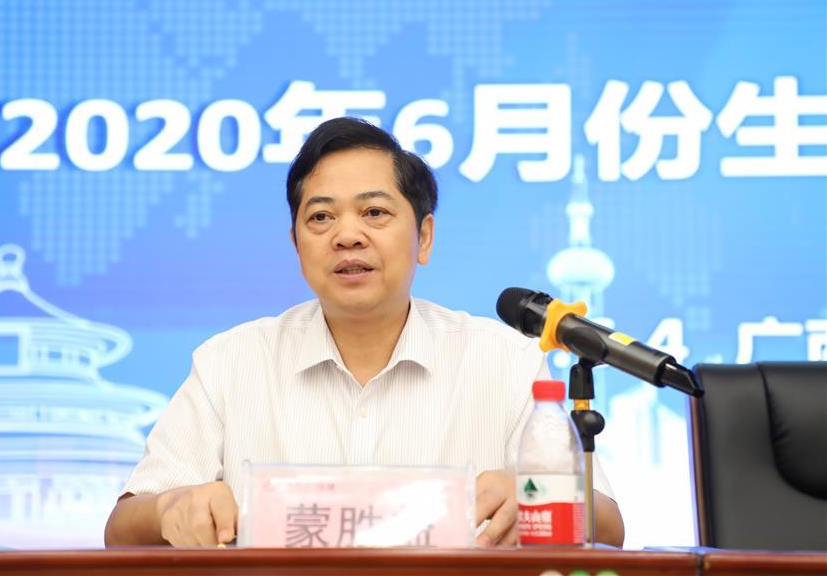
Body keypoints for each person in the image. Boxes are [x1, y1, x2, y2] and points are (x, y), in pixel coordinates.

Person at [104, 117, 625, 548]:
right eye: (321, 217)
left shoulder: (504, 361)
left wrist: (533, 494)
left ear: (424, 236)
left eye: (374, 212)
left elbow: (608, 526)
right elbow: (122, 530)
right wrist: (173, 508)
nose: (347, 235)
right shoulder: (230, 362)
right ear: (296, 244)